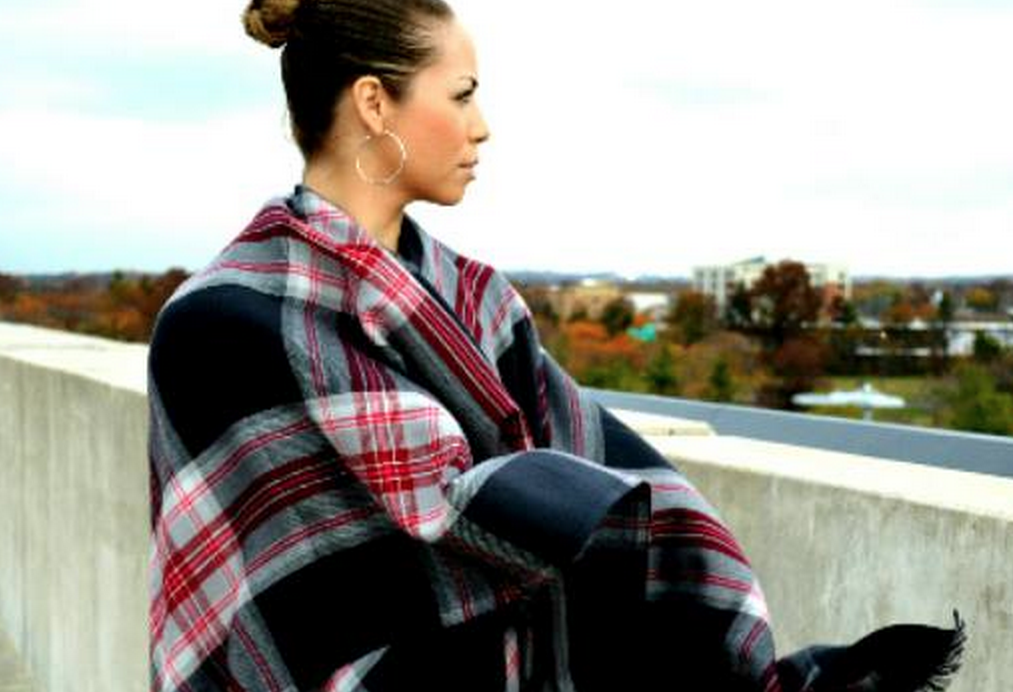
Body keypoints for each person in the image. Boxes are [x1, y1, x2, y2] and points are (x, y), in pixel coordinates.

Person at [147, 0, 965, 690]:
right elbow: (282, 580)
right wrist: (523, 506)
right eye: (462, 96)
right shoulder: (219, 325)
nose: (482, 127)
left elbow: (594, 472)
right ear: (374, 104)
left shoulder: (477, 301)